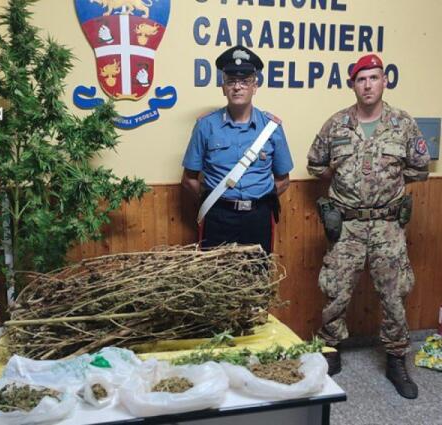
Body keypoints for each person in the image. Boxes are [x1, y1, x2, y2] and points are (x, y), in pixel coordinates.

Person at [307, 54, 429, 399]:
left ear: (384, 81)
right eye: (361, 79)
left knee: (394, 294)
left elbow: (419, 168)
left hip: (388, 226)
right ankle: (330, 351)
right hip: (346, 225)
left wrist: (386, 187)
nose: (368, 85)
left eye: (374, 77)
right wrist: (344, 185)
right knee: (335, 290)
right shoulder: (337, 124)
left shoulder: (402, 124)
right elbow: (316, 164)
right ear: (353, 85)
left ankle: (395, 359)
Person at [181, 45, 293, 253]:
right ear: (223, 87)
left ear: (255, 86)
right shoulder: (206, 126)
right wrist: (215, 202)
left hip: (258, 218)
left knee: (257, 271)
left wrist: (258, 199)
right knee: (214, 273)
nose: (237, 87)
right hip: (218, 216)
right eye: (231, 81)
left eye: (244, 81)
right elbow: (189, 179)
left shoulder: (272, 128)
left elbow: (283, 180)